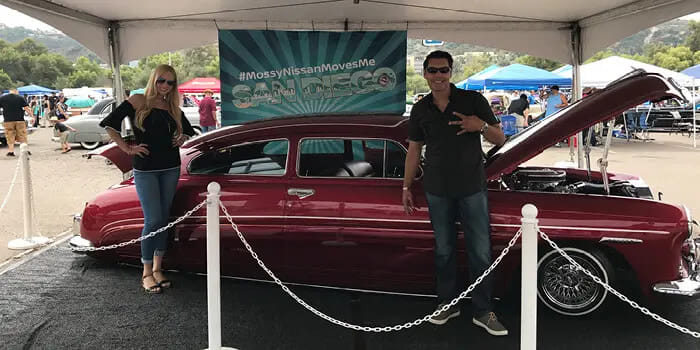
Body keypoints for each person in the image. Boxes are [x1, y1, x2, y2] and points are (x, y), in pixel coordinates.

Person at [402, 50, 508, 336]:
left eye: (443, 70)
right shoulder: (421, 109)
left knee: (480, 251)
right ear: (424, 73)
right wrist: (406, 186)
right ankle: (447, 303)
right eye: (433, 71)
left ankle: (484, 311)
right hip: (436, 189)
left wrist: (480, 125)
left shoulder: (473, 101)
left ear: (451, 72)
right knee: (444, 250)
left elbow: (500, 137)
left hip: (472, 187)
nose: (438, 76)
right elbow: (414, 150)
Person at [99, 64, 196, 294]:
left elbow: (190, 131)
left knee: (163, 218)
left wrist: (182, 137)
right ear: (154, 79)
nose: (165, 86)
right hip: (146, 169)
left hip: (171, 167)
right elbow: (109, 124)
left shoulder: (172, 106)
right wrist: (127, 148)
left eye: (170, 82)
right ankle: (146, 272)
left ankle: (158, 268)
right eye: (161, 80)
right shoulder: (138, 100)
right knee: (153, 219)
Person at [0, 88, 35, 157]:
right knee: (22, 135)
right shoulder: (20, 98)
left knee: (9, 135)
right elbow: (26, 108)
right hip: (20, 120)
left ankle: (11, 151)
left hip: (8, 120)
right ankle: (25, 150)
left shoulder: (2, 98)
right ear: (16, 91)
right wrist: (32, 117)